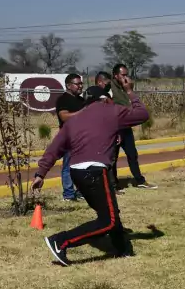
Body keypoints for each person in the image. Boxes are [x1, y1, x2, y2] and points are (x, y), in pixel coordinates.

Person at [32, 75, 150, 266]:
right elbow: (142, 114)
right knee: (108, 220)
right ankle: (61, 241)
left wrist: (40, 173)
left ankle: (122, 249)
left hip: (76, 173)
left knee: (110, 212)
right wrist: (129, 91)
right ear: (105, 99)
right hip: (95, 171)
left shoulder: (75, 119)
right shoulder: (111, 110)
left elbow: (55, 148)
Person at [108, 65, 157, 189]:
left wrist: (130, 89)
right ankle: (113, 184)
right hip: (115, 128)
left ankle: (139, 180)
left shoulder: (125, 87)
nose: (126, 77)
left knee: (132, 154)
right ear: (115, 75)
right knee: (113, 157)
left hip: (126, 127)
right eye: (123, 75)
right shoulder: (110, 89)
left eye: (126, 74)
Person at [54, 73, 86, 202]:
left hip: (82, 138)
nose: (80, 86)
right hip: (69, 138)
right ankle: (68, 194)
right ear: (68, 85)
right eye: (77, 84)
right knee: (68, 166)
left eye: (81, 83)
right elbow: (64, 116)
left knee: (82, 166)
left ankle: (80, 192)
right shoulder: (63, 99)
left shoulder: (81, 100)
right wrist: (83, 112)